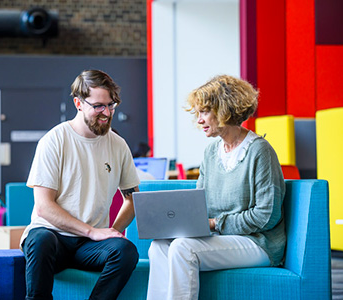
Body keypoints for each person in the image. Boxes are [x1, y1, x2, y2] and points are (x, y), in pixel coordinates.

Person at [146, 75, 286, 300]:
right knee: (159, 245)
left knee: (183, 248)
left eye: (204, 112)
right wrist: (183, 222)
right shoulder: (211, 153)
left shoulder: (260, 151)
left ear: (224, 110)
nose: (199, 120)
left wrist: (215, 223)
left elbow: (267, 215)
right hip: (220, 236)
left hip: (259, 242)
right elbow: (200, 205)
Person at [21, 69, 141, 300]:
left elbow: (132, 198)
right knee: (40, 239)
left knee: (125, 251)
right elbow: (44, 206)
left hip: (88, 246)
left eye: (111, 105)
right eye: (98, 106)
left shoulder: (118, 145)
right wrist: (92, 231)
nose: (106, 113)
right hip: (52, 237)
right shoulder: (54, 140)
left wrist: (111, 231)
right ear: (78, 103)